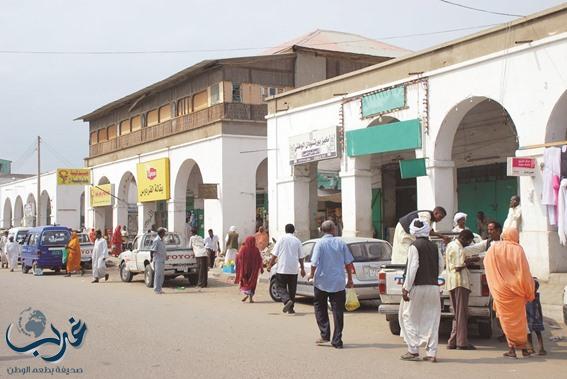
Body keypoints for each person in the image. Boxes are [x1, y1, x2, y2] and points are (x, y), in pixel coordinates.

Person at [484, 228, 535, 358]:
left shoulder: (494, 248)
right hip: (516, 290)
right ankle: (523, 348)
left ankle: (512, 349)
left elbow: (486, 262)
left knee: (506, 320)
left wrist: (497, 280)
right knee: (520, 320)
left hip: (501, 290)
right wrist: (529, 290)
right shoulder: (518, 249)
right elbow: (524, 271)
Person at [399, 219, 444, 362]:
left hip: (417, 287)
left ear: (413, 231)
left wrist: (406, 288)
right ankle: (431, 353)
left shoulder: (414, 246)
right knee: (432, 320)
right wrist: (432, 275)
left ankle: (413, 350)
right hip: (433, 287)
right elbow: (441, 266)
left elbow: (413, 268)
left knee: (409, 317)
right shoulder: (434, 246)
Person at [308, 220, 354, 349]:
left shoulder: (320, 243)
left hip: (321, 281)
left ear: (322, 230)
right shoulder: (341, 243)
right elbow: (348, 263)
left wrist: (311, 275)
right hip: (338, 282)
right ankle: (337, 340)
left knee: (320, 308)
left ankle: (324, 334)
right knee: (338, 311)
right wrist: (350, 279)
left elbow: (314, 262)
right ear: (333, 229)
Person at [445, 229, 477, 350]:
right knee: (462, 314)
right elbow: (458, 266)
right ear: (464, 239)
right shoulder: (458, 248)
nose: (468, 244)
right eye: (468, 242)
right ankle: (462, 342)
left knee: (458, 314)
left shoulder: (450, 245)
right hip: (459, 282)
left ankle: (453, 341)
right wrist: (471, 261)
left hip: (452, 282)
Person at [267, 223, 305, 314]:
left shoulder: (281, 239)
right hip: (293, 269)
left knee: (280, 286)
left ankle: (287, 300)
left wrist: (270, 265)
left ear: (285, 230)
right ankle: (291, 308)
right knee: (292, 290)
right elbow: (301, 257)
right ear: (293, 230)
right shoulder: (297, 241)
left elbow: (274, 254)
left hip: (282, 268)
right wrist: (302, 269)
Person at [234, 236, 263, 303]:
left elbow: (239, 257)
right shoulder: (256, 250)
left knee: (245, 282)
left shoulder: (243, 249)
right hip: (254, 270)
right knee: (252, 283)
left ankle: (247, 294)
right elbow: (260, 259)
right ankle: (250, 297)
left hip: (245, 269)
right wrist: (261, 268)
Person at [526, 278, 546, 355]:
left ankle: (532, 348)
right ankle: (540, 349)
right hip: (535, 317)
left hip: (532, 317)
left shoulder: (527, 296)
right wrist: (541, 316)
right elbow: (539, 307)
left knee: (530, 333)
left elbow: (539, 307)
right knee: (536, 333)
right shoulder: (535, 296)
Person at [150, 228, 167, 294]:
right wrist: (151, 258)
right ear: (161, 233)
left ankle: (160, 288)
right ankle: (156, 289)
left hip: (162, 259)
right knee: (157, 275)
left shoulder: (162, 240)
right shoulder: (156, 240)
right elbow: (152, 250)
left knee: (161, 275)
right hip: (157, 260)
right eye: (163, 233)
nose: (164, 234)